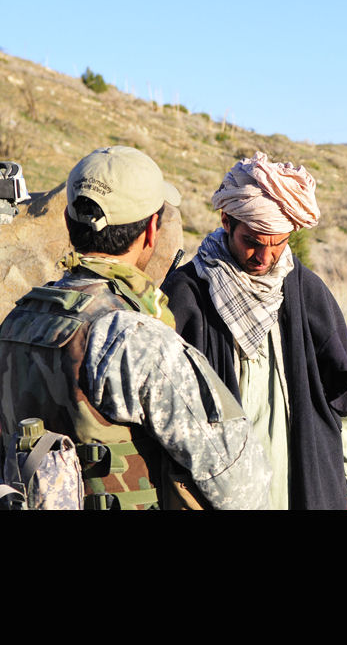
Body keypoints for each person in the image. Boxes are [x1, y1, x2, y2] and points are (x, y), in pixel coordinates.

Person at [0, 145, 272, 510]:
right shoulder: (136, 340)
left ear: (68, 220)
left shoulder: (16, 321)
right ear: (151, 231)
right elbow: (242, 484)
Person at [162, 153, 347, 510]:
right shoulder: (186, 294)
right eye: (252, 241)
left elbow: (344, 399)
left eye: (278, 243)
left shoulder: (306, 291)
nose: (265, 257)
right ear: (226, 221)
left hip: (301, 489)